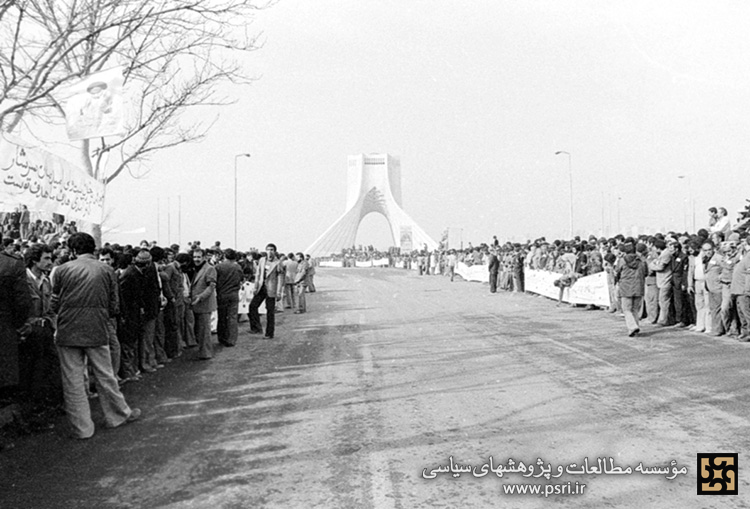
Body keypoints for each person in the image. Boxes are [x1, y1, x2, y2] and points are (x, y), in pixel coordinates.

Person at [51, 232, 140, 439]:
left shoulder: (62, 270)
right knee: (105, 375)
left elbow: (54, 302)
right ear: (94, 249)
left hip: (67, 330)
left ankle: (82, 428)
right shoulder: (107, 270)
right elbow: (114, 305)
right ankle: (117, 415)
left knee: (72, 380)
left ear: (73, 250)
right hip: (97, 329)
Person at [249, 243, 284, 339]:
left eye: (272, 250)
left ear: (275, 251)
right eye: (268, 249)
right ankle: (256, 328)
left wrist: (279, 292)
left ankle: (269, 333)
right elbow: (258, 274)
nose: (270, 252)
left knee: (270, 312)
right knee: (252, 306)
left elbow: (280, 278)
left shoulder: (278, 263)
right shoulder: (262, 260)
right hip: (261, 287)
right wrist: (255, 287)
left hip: (271, 289)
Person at [614, 243, 648, 337]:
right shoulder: (641, 260)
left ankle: (632, 327)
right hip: (638, 286)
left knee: (626, 309)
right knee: (635, 309)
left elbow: (617, 272)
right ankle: (634, 327)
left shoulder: (622, 261)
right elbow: (646, 272)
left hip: (626, 287)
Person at [190, 248, 217, 359]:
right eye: (194, 257)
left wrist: (200, 297)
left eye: (198, 257)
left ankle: (206, 353)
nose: (196, 259)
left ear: (204, 258)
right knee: (200, 330)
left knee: (204, 331)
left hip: (204, 304)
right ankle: (203, 351)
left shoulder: (210, 269)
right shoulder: (196, 269)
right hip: (196, 304)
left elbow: (211, 287)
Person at [214, 248, 243, 347]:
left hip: (222, 294)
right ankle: (232, 339)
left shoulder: (218, 267)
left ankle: (222, 337)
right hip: (234, 294)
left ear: (224, 256)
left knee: (222, 316)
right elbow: (240, 279)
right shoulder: (238, 267)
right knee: (232, 317)